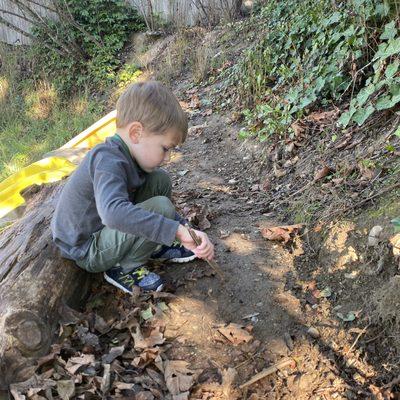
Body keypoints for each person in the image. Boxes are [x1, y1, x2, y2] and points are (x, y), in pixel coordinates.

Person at [51, 81, 214, 293]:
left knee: (159, 180)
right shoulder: (107, 160)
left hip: (102, 229)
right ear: (136, 133)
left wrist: (186, 230)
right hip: (87, 247)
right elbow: (113, 214)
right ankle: (123, 268)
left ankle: (153, 246)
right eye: (165, 149)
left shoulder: (125, 154)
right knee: (161, 206)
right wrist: (175, 230)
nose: (168, 157)